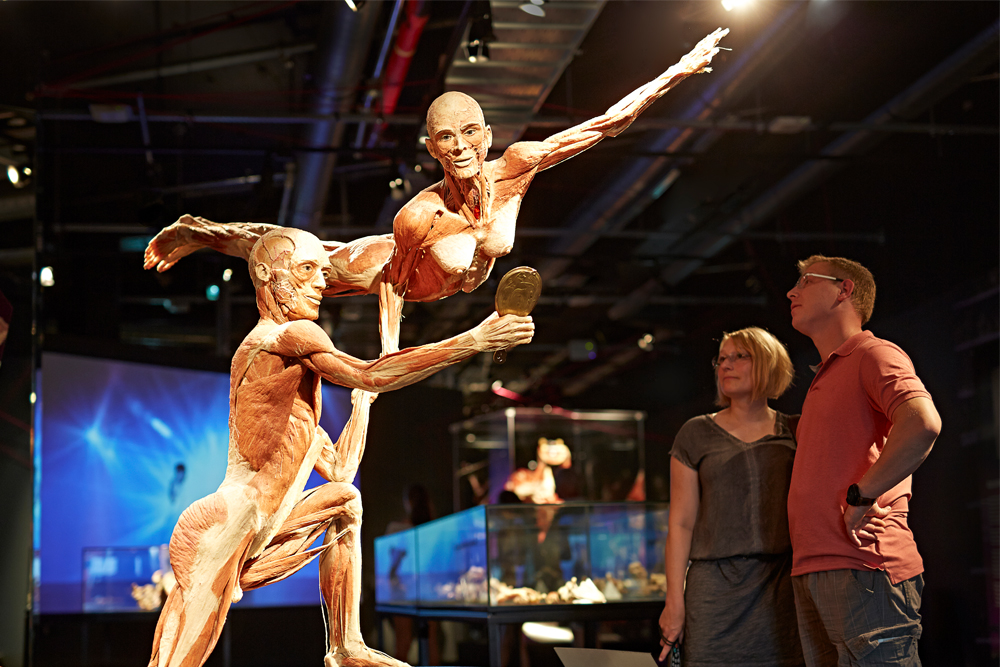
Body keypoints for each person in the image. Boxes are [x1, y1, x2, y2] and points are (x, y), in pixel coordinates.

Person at [142, 28, 729, 358]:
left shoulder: (518, 167)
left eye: (470, 133)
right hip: (388, 265)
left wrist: (677, 71)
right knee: (301, 252)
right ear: (432, 149)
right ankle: (200, 230)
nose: (461, 146)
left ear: (488, 136)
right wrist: (388, 360)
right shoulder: (418, 215)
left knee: (308, 248)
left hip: (443, 277)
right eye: (446, 138)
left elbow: (602, 125)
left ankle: (199, 229)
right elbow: (395, 286)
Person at [148, 228, 533, 667]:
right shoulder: (285, 336)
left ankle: (345, 645)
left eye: (322, 272)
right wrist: (474, 340)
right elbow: (371, 373)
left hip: (261, 527)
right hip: (229, 523)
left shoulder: (299, 422)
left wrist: (362, 404)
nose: (321, 283)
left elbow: (342, 470)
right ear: (266, 274)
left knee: (346, 501)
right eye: (306, 270)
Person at [785, 256, 940, 666]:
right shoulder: (825, 376)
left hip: (865, 566)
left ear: (844, 289)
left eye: (806, 280)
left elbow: (922, 422)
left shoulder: (873, 353)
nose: (791, 291)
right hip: (818, 568)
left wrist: (862, 495)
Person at [658, 327, 805, 667]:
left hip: (780, 587)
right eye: (722, 358)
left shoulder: (796, 430)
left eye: (739, 356)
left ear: (768, 362)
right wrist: (674, 601)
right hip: (714, 590)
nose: (726, 365)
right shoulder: (696, 432)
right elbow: (680, 524)